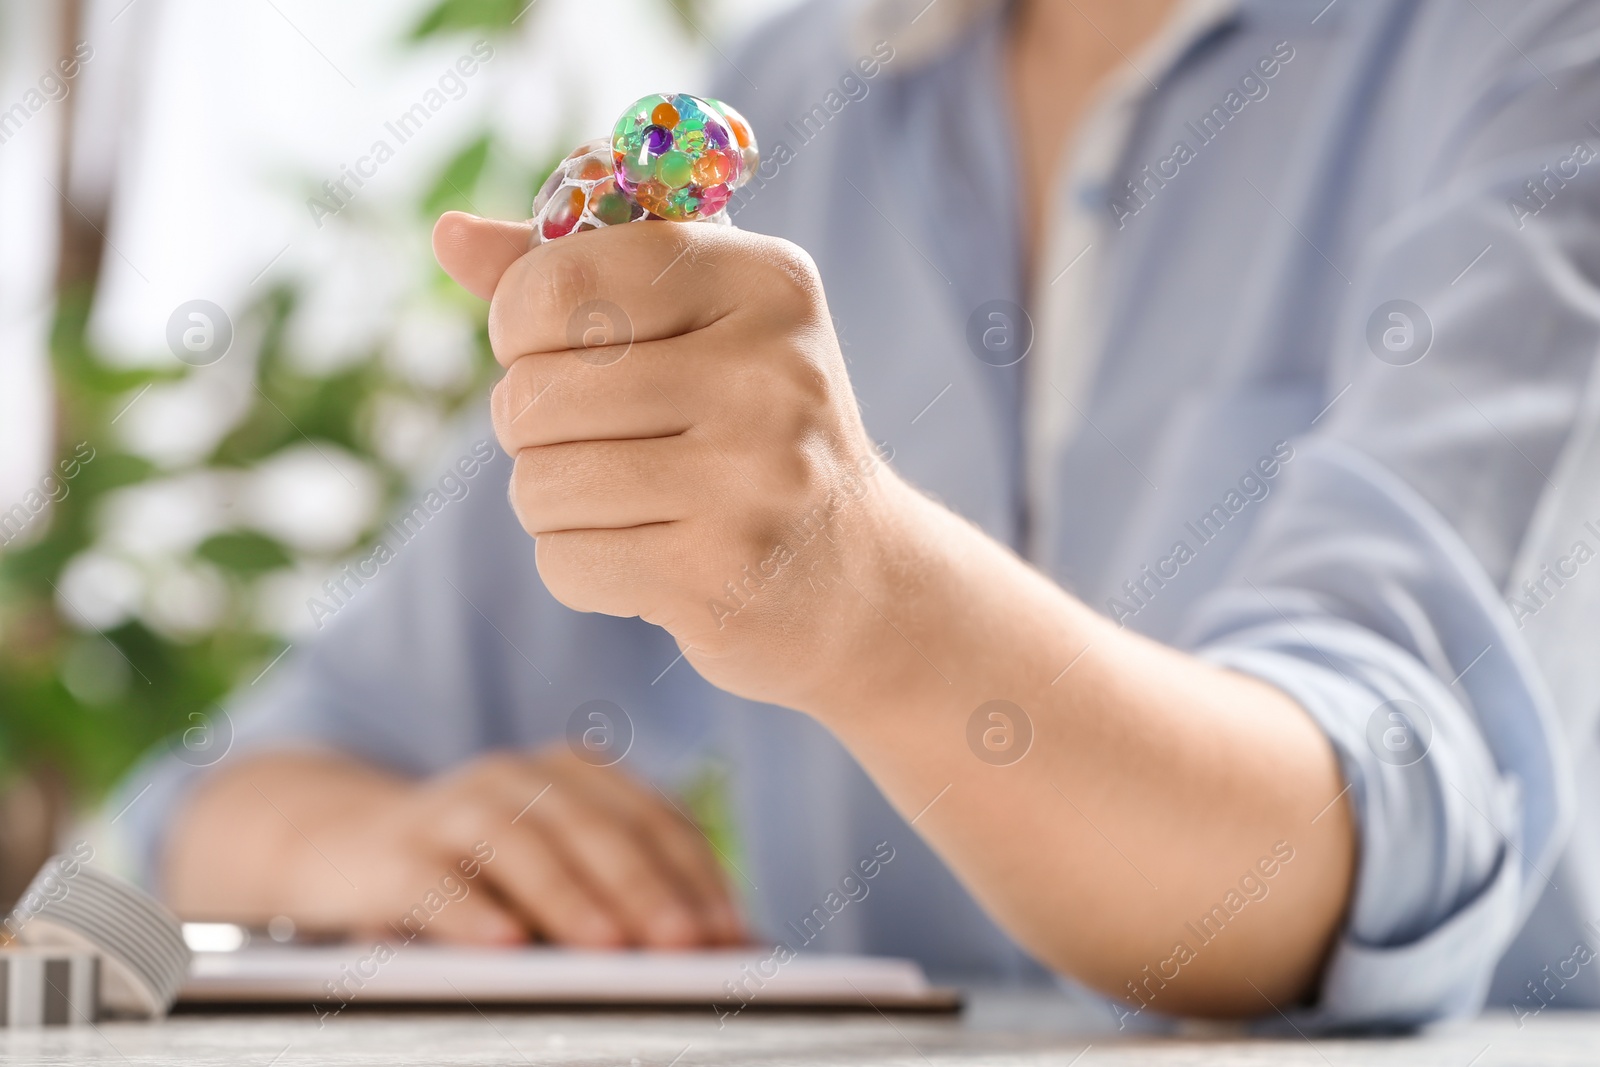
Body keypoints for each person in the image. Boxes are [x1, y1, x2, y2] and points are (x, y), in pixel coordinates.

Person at [114, 0, 1600, 1029]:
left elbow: (1342, 859)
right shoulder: (804, 82)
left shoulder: (1536, 56)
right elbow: (216, 809)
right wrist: (387, 850)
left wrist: (862, 594)